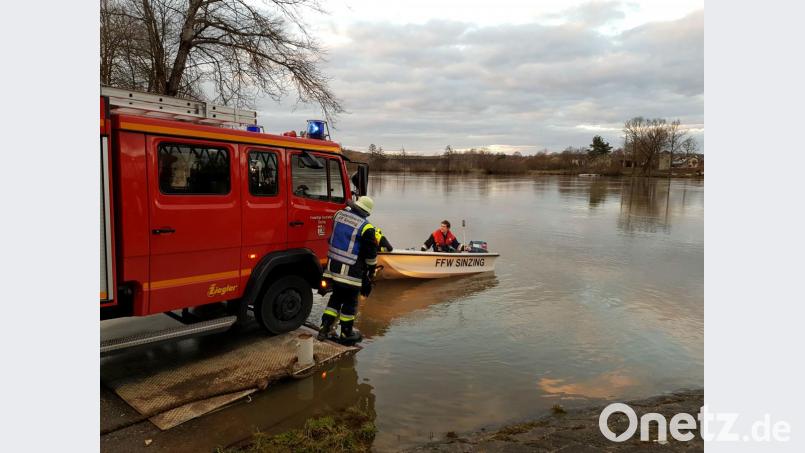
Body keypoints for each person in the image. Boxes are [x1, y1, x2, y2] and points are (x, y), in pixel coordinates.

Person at [319, 196, 378, 344]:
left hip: (332, 266)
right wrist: (371, 271)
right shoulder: (367, 227)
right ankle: (346, 333)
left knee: (336, 298)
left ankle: (324, 328)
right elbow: (370, 255)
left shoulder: (338, 215)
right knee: (350, 302)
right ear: (366, 212)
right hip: (350, 271)